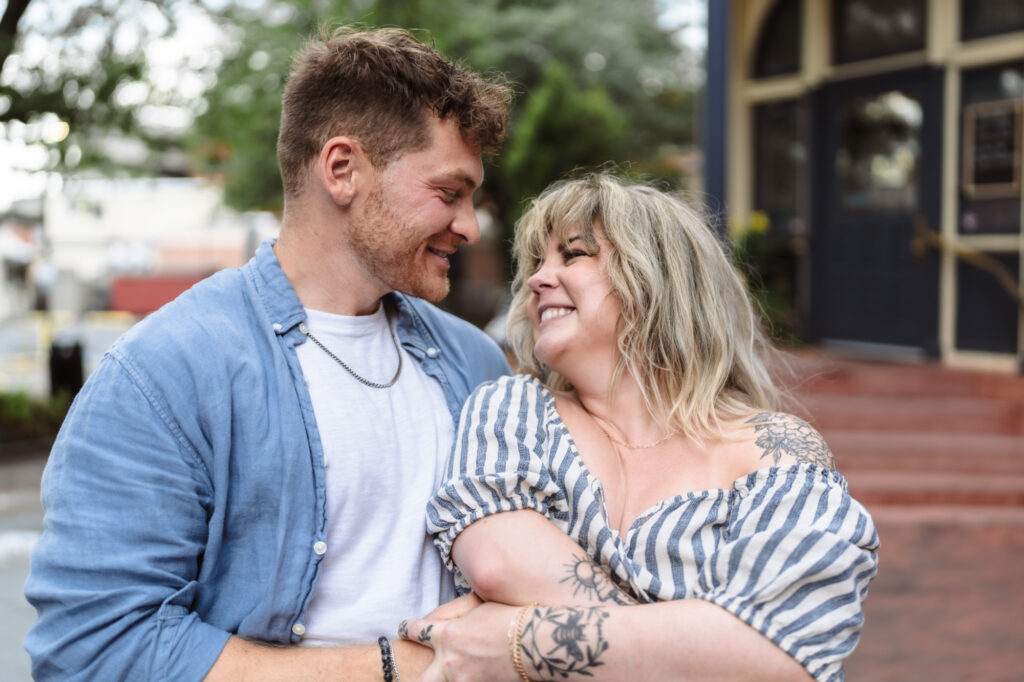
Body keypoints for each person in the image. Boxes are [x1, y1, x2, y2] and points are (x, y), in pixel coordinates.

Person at [24, 25, 512, 680]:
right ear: (343, 170)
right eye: (449, 193)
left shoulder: (476, 363)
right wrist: (401, 666)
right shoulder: (163, 372)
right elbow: (97, 648)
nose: (469, 225)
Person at [401, 173, 880, 681]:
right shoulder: (513, 409)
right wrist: (709, 650)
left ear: (658, 279)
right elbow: (497, 559)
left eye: (574, 254)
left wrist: (518, 639)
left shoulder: (772, 447)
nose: (539, 279)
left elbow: (785, 651)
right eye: (538, 263)